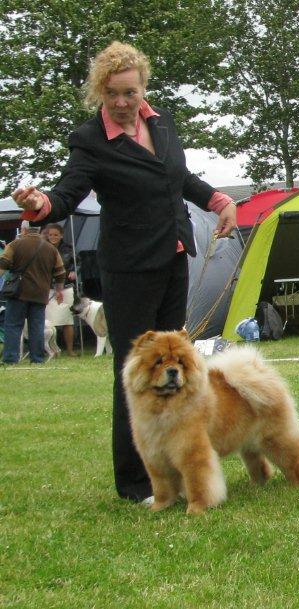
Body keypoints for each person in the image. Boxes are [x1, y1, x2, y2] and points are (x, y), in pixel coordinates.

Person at [10, 42, 237, 502]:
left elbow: (179, 177)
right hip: (130, 268)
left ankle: (177, 469)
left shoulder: (162, 123)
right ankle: (136, 483)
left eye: (129, 92)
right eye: (112, 93)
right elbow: (68, 191)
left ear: (143, 88)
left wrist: (218, 200)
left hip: (174, 256)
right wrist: (41, 205)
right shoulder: (90, 139)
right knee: (137, 371)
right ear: (100, 91)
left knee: (178, 367)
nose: (121, 102)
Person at [1, 225, 66, 364]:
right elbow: (60, 273)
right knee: (37, 327)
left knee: (13, 325)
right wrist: (59, 290)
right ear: (39, 231)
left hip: (18, 292)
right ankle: (37, 358)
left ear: (23, 230)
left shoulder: (15, 244)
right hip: (40, 294)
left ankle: (10, 359)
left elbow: (3, 264)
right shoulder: (51, 249)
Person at [43, 223, 78, 355]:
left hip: (66, 287)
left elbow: (78, 262)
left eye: (56, 235)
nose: (53, 237)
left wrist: (74, 271)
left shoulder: (69, 248)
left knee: (67, 319)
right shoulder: (43, 248)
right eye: (50, 235)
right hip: (48, 288)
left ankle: (70, 349)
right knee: (49, 321)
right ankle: (52, 350)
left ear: (61, 235)